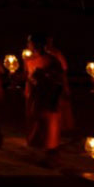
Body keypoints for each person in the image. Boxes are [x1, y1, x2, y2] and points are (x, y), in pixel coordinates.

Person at [24, 33, 64, 167]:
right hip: (36, 98)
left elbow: (58, 81)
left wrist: (54, 98)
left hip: (49, 97)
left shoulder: (51, 60)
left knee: (50, 127)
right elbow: (30, 79)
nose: (29, 45)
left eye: (31, 43)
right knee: (40, 126)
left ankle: (53, 158)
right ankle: (45, 155)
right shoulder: (31, 60)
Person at [44, 36, 74, 133]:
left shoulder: (56, 53)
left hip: (56, 82)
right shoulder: (39, 54)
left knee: (59, 104)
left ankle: (62, 127)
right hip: (45, 84)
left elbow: (63, 68)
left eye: (50, 41)